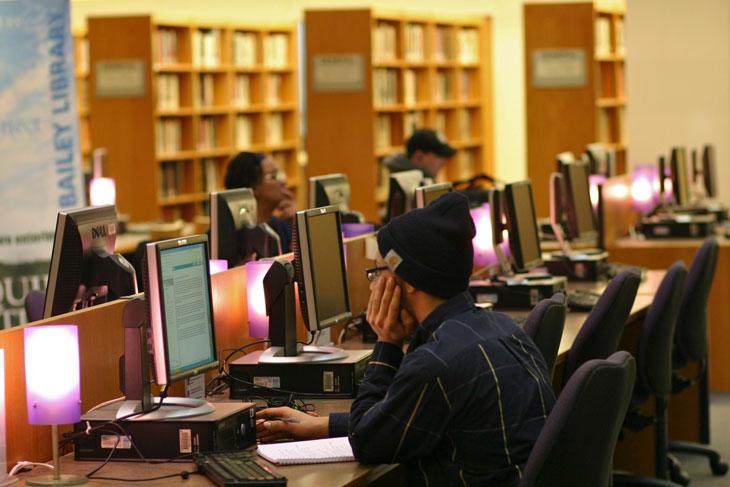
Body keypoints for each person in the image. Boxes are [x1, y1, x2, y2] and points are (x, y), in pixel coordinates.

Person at [257, 192, 556, 485]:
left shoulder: (436, 362)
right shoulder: (502, 327)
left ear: (408, 281)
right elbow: (408, 417)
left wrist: (386, 343)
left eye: (377, 273)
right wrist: (322, 426)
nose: (374, 286)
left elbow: (368, 443)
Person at [224, 151, 296, 254]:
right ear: (252, 187)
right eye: (273, 176)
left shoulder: (283, 224)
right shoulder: (231, 237)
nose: (283, 181)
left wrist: (297, 226)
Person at [384, 128, 456, 180]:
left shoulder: (426, 179)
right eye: (439, 155)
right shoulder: (404, 184)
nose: (444, 161)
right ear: (419, 157)